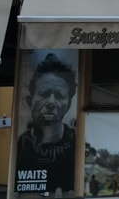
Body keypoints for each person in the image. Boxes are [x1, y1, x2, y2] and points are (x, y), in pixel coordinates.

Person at [16, 53, 78, 196]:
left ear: (68, 106)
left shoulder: (77, 142)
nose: (51, 102)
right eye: (44, 93)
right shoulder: (21, 146)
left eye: (60, 96)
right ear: (29, 101)